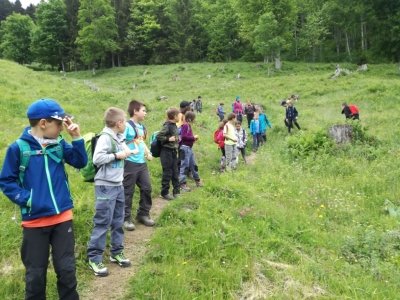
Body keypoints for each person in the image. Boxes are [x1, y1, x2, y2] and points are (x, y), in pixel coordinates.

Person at [0, 98, 87, 299]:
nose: (62, 128)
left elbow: (80, 162)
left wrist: (77, 138)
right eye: (59, 124)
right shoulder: (18, 149)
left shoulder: (59, 144)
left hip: (62, 217)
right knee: (35, 275)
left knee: (66, 270)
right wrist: (28, 199)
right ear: (43, 123)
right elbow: (6, 181)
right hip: (34, 222)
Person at [87, 107, 132, 277]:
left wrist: (125, 153)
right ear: (119, 123)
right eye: (125, 121)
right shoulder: (105, 138)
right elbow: (97, 158)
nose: (126, 124)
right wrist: (117, 155)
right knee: (102, 221)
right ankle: (94, 258)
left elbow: (119, 154)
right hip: (105, 186)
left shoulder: (118, 137)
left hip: (118, 184)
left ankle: (116, 252)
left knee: (118, 220)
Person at [123, 100, 155, 232]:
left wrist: (147, 152)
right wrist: (127, 153)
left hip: (142, 164)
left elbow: (140, 142)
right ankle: (125, 218)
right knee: (128, 191)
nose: (145, 113)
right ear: (135, 111)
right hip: (129, 163)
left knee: (147, 188)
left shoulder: (141, 127)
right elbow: (120, 141)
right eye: (143, 110)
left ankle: (143, 214)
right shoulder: (126, 126)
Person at [157, 108, 180, 200]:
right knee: (167, 172)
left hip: (173, 151)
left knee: (175, 171)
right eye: (178, 115)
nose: (179, 117)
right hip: (166, 152)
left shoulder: (174, 125)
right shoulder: (167, 126)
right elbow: (159, 136)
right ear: (174, 116)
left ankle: (176, 192)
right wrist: (168, 139)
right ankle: (164, 193)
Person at [179, 111, 202, 191]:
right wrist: (193, 137)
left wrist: (193, 138)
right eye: (193, 119)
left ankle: (197, 180)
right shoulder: (185, 125)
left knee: (193, 165)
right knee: (184, 166)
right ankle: (182, 184)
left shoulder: (188, 125)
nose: (193, 120)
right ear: (189, 119)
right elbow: (183, 137)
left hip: (189, 148)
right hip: (184, 149)